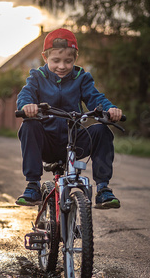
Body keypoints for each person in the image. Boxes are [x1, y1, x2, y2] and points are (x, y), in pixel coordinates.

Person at [16, 28, 123, 209]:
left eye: (68, 61)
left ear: (75, 59)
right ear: (45, 58)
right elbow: (25, 95)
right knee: (29, 125)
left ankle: (103, 188)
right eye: (56, 60)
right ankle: (33, 185)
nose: (62, 66)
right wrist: (27, 106)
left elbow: (95, 98)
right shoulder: (37, 77)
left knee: (101, 130)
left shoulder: (81, 78)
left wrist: (110, 109)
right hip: (46, 143)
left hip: (74, 142)